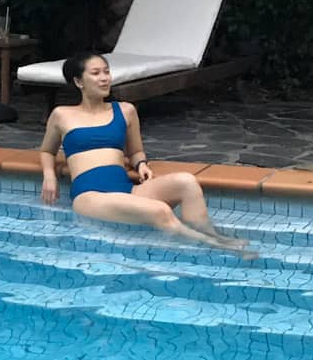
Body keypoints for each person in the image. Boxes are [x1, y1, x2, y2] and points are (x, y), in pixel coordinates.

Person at [38, 53, 253, 255]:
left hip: (127, 189)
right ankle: (218, 247)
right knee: (160, 211)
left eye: (106, 71)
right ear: (79, 82)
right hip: (90, 195)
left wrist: (141, 164)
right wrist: (49, 175)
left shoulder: (125, 110)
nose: (104, 78)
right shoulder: (62, 115)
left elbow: (136, 151)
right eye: (96, 73)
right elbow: (47, 150)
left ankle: (210, 234)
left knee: (187, 181)